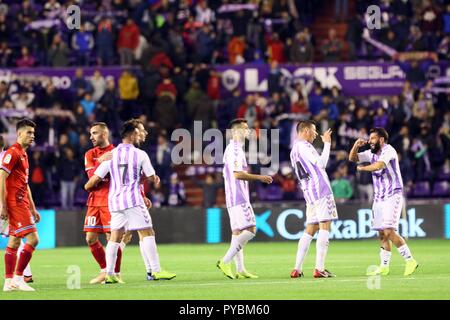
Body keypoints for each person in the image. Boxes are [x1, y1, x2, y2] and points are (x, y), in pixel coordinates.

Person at [85, 120, 176, 283]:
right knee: (147, 232)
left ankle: (110, 274)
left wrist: (89, 187)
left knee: (114, 237)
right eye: (141, 131)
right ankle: (156, 271)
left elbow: (92, 182)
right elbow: (151, 178)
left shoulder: (111, 155)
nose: (143, 134)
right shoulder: (140, 154)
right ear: (133, 134)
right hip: (133, 200)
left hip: (114, 202)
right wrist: (154, 178)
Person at [349, 128, 418, 276]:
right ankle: (384, 266)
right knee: (381, 233)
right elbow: (352, 158)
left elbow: (379, 165)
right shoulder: (370, 153)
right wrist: (356, 145)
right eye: (369, 138)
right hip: (379, 197)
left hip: (393, 194)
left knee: (388, 230)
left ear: (381, 140)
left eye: (373, 138)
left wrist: (363, 168)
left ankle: (410, 260)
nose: (370, 141)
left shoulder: (389, 150)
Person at [216, 118, 273, 279]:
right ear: (235, 132)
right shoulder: (234, 150)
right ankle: (225, 261)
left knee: (237, 233)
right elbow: (237, 174)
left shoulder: (234, 149)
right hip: (239, 197)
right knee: (251, 229)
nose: (247, 131)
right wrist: (260, 178)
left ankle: (240, 270)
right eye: (244, 128)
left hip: (232, 198)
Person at [290, 120, 337, 278]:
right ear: (305, 131)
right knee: (325, 226)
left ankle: (297, 268)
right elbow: (322, 163)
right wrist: (327, 144)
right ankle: (319, 268)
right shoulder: (305, 146)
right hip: (321, 190)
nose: (316, 134)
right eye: (314, 131)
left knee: (310, 229)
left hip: (309, 193)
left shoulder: (294, 150)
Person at [1, 119, 40, 291]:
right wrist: (3, 205)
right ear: (19, 133)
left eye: (33, 133)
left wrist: (32, 207)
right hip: (15, 203)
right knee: (33, 239)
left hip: (22, 201)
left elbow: (25, 184)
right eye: (29, 133)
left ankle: (8, 282)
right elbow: (1, 178)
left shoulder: (24, 155)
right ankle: (18, 278)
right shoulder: (13, 152)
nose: (32, 136)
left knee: (14, 241)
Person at [83, 122, 125, 284]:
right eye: (91, 133)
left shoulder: (118, 152)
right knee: (90, 238)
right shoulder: (89, 154)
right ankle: (103, 270)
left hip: (111, 201)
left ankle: (116, 273)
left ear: (104, 134)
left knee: (112, 238)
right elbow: (92, 178)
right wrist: (100, 161)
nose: (91, 137)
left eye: (94, 133)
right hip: (94, 201)